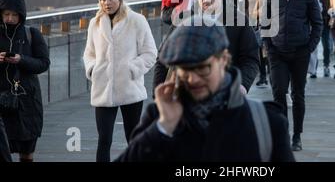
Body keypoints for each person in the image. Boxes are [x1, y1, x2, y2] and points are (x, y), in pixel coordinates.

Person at [116, 17, 295, 162]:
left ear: (224, 59)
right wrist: (163, 127)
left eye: (202, 68)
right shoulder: (159, 116)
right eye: (185, 69)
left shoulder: (266, 122)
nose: (192, 79)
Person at [83, 0, 157, 162]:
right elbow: (89, 53)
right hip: (103, 88)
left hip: (129, 88)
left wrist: (133, 69)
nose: (106, 3)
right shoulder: (95, 23)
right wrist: (92, 69)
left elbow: (150, 52)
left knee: (133, 138)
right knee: (104, 139)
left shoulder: (136, 20)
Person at [153, 0, 260, 95]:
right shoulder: (184, 19)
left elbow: (250, 58)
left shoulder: (239, 20)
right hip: (186, 95)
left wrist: (242, 85)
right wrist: (157, 93)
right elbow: (162, 57)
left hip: (224, 94)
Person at [262, 0, 322, 151]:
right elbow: (265, 23)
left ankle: (297, 136)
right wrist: (268, 47)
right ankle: (283, 134)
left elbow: (318, 23)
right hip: (277, 53)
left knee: (298, 94)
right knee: (278, 92)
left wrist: (310, 47)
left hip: (300, 53)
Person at [0, 0, 50, 162]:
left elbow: (43, 63)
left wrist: (21, 60)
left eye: (14, 15)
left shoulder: (31, 34)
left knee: (27, 151)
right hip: (2, 98)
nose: (10, 19)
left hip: (27, 101)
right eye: (6, 14)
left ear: (21, 15)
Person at [311, 0, 335, 77]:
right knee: (313, 46)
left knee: (327, 45)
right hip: (315, 20)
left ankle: (326, 66)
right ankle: (313, 68)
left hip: (326, 21)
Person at [298, 0, 322, 79]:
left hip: (310, 32)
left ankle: (312, 70)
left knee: (312, 53)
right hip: (298, 34)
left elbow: (318, 15)